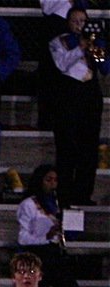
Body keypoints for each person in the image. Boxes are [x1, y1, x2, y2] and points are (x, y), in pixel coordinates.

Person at [49, 7, 108, 207]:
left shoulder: (95, 40)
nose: (79, 25)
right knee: (67, 146)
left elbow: (105, 68)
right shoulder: (59, 42)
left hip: (90, 94)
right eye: (75, 21)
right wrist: (80, 48)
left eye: (82, 21)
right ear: (68, 23)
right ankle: (65, 195)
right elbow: (62, 64)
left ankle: (84, 193)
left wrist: (97, 51)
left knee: (89, 147)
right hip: (68, 93)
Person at [16, 164, 80, 287]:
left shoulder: (58, 203)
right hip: (36, 255)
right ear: (40, 181)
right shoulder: (29, 204)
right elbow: (22, 238)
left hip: (55, 254)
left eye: (55, 180)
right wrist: (46, 236)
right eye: (48, 180)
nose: (53, 184)